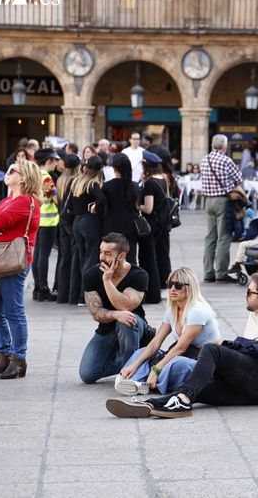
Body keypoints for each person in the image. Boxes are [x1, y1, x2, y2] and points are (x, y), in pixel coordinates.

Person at [105, 272, 258, 419]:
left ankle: (178, 401)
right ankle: (153, 406)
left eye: (249, 292)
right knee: (199, 390)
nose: (245, 295)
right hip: (248, 387)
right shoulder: (256, 314)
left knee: (212, 349)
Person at [114, 267, 221, 396]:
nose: (173, 289)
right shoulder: (173, 310)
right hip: (184, 354)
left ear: (190, 287)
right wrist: (135, 364)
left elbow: (181, 348)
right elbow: (156, 341)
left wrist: (156, 369)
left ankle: (140, 381)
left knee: (175, 364)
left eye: (178, 285)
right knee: (142, 352)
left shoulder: (197, 311)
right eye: (170, 285)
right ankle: (133, 379)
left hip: (204, 361)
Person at [0, 160, 42, 379]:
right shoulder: (9, 199)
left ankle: (19, 359)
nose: (7, 173)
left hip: (13, 261)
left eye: (12, 171)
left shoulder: (26, 201)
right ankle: (3, 355)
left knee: (13, 311)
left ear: (24, 177)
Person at [79, 233, 149, 384]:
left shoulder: (139, 275)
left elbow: (125, 306)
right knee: (87, 374)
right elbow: (96, 313)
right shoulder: (91, 274)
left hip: (134, 326)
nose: (102, 257)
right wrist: (115, 315)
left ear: (122, 256)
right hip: (107, 328)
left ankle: (130, 374)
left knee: (126, 319)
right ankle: (136, 361)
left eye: (107, 253)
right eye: (101, 251)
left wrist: (108, 282)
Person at [200, 134, 242, 283]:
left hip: (208, 201)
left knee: (210, 237)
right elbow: (238, 179)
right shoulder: (226, 160)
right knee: (224, 236)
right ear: (225, 147)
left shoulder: (205, 159)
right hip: (223, 201)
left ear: (211, 146)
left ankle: (208, 272)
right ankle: (221, 273)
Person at [70, 156, 106, 306]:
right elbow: (102, 199)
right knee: (91, 260)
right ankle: (85, 296)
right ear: (98, 169)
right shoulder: (92, 183)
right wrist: (95, 206)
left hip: (76, 222)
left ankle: (78, 295)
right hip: (89, 222)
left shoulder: (76, 181)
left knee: (81, 258)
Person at [139, 150, 171, 302]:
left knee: (148, 257)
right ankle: (162, 285)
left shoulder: (150, 183)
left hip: (151, 224)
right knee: (161, 255)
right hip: (162, 223)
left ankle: (151, 289)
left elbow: (148, 208)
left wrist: (136, 206)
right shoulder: (163, 179)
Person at [31, 148, 60, 302]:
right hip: (48, 221)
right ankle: (43, 288)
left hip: (37, 219)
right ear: (48, 161)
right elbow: (55, 200)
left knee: (37, 255)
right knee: (44, 255)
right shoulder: (47, 178)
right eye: (55, 160)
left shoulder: (35, 175)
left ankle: (37, 288)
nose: (56, 163)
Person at [102, 153, 141, 264]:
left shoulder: (107, 186)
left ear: (115, 168)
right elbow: (137, 206)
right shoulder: (134, 186)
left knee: (110, 259)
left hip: (111, 226)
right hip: (130, 227)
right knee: (130, 259)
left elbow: (104, 207)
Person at [55, 155, 82, 304]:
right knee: (74, 258)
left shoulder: (61, 180)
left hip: (62, 221)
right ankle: (73, 294)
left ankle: (62, 294)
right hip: (71, 222)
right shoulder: (75, 182)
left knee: (64, 258)